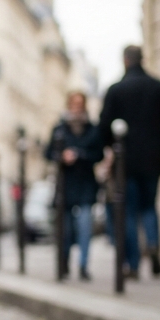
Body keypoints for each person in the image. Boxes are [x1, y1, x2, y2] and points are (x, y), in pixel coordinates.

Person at [99, 45, 160, 279]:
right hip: (152, 159)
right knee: (149, 206)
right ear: (141, 59)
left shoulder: (116, 90)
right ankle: (153, 243)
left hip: (126, 160)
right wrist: (159, 140)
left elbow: (104, 125)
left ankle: (133, 265)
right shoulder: (159, 87)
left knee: (129, 211)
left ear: (125, 60)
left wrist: (112, 147)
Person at [45, 92, 103, 281]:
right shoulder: (60, 129)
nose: (77, 107)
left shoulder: (92, 129)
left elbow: (99, 154)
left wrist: (80, 154)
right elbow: (48, 153)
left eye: (80, 104)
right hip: (66, 185)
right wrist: (61, 157)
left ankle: (83, 265)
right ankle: (64, 263)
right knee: (66, 229)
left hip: (86, 184)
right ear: (69, 105)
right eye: (74, 103)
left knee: (85, 227)